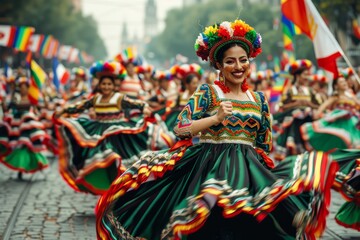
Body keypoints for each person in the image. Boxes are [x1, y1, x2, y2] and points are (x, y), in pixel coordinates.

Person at [95, 19, 338, 239]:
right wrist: (215, 118)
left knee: (252, 222)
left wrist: (265, 172)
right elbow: (181, 128)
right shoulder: (209, 93)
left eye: (243, 60)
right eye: (230, 61)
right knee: (213, 226)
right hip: (210, 165)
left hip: (248, 167)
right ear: (219, 66)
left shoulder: (259, 99)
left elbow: (264, 144)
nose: (238, 66)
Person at [54, 61, 157, 195]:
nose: (106, 86)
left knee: (117, 160)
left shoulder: (119, 98)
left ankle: (119, 190)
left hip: (118, 135)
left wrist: (145, 108)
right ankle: (109, 191)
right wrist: (63, 110)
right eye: (104, 84)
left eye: (109, 84)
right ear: (99, 85)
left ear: (114, 86)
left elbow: (135, 103)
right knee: (103, 161)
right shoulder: (95, 99)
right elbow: (79, 106)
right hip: (100, 134)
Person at [0, 77, 49, 180]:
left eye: (24, 87)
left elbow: (41, 108)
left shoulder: (32, 98)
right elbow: (7, 109)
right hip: (18, 126)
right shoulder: (15, 98)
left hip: (29, 126)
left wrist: (44, 97)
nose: (23, 89)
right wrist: (3, 102)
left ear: (28, 88)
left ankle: (38, 166)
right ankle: (20, 170)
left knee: (31, 147)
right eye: (21, 87)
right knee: (21, 146)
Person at [273, 59, 321, 160]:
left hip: (307, 120)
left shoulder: (310, 91)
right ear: (298, 76)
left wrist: (309, 104)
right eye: (305, 74)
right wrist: (296, 104)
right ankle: (291, 142)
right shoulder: (290, 90)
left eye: (307, 75)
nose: (307, 77)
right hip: (294, 120)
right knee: (296, 112)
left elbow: (319, 106)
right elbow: (282, 106)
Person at [301, 74, 360, 152]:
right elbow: (323, 106)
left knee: (354, 141)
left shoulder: (351, 96)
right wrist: (318, 113)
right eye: (341, 82)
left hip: (352, 122)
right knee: (345, 139)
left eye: (344, 81)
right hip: (339, 121)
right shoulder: (336, 97)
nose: (344, 83)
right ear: (336, 86)